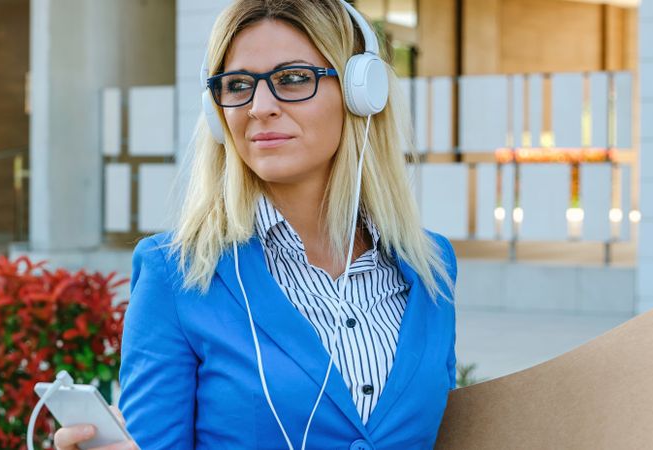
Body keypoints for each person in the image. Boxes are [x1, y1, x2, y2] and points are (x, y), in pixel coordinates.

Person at [53, 0, 458, 449]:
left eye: (293, 79)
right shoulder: (177, 273)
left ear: (361, 92)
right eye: (238, 85)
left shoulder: (431, 266)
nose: (259, 107)